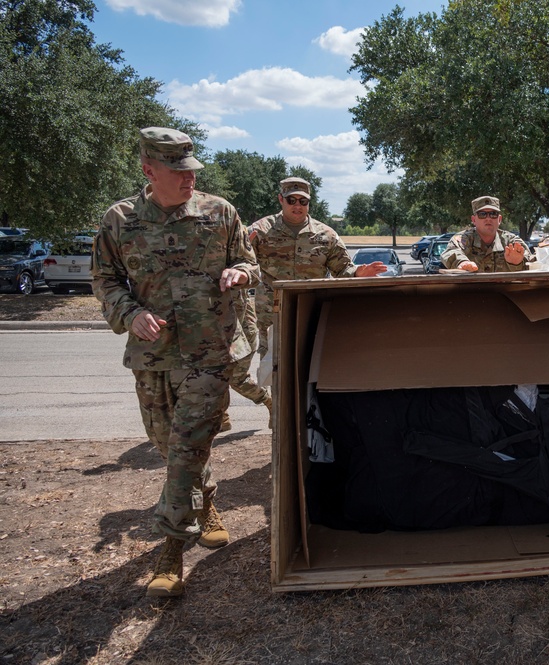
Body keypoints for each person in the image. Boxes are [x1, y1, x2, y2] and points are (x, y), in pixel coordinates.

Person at [91, 127, 260, 597]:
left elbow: (252, 263)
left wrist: (240, 271)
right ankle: (205, 503)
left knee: (186, 448)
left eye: (192, 171)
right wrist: (131, 313)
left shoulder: (219, 211)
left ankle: (170, 548)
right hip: (154, 357)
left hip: (210, 353)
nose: (189, 179)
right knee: (171, 448)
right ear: (149, 170)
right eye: (178, 171)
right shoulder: (119, 219)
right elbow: (105, 280)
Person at [249, 177, 386, 359]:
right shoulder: (260, 230)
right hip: (272, 316)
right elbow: (241, 261)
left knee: (311, 365)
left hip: (311, 314)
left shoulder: (326, 235)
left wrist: (358, 272)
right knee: (275, 370)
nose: (297, 206)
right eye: (291, 200)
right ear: (281, 199)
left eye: (303, 201)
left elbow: (343, 269)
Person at [218, 287, 272, 432]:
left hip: (241, 334)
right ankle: (221, 418)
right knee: (213, 375)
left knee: (236, 379)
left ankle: (269, 402)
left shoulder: (231, 279)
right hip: (217, 334)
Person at [441, 196, 531, 272]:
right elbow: (451, 252)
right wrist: (462, 262)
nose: (488, 218)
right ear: (473, 220)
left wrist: (516, 263)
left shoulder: (511, 241)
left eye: (493, 214)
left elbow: (531, 260)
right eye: (482, 214)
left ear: (499, 219)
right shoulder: (463, 238)